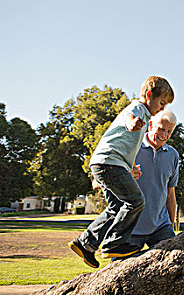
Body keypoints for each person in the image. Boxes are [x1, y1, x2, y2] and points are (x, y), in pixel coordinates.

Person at [69, 76, 174, 268]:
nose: (162, 108)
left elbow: (127, 144)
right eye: (161, 103)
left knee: (116, 207)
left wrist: (130, 166)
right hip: (109, 163)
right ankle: (113, 243)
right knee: (136, 201)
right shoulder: (138, 109)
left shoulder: (145, 115)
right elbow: (128, 119)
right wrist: (132, 123)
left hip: (107, 163)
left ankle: (85, 243)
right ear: (149, 95)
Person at [128, 108, 179, 250]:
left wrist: (171, 224)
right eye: (161, 129)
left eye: (169, 131)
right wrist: (125, 175)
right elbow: (100, 182)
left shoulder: (173, 155)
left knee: (175, 265)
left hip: (161, 227)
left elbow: (170, 195)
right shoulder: (131, 148)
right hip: (130, 227)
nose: (164, 135)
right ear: (150, 125)